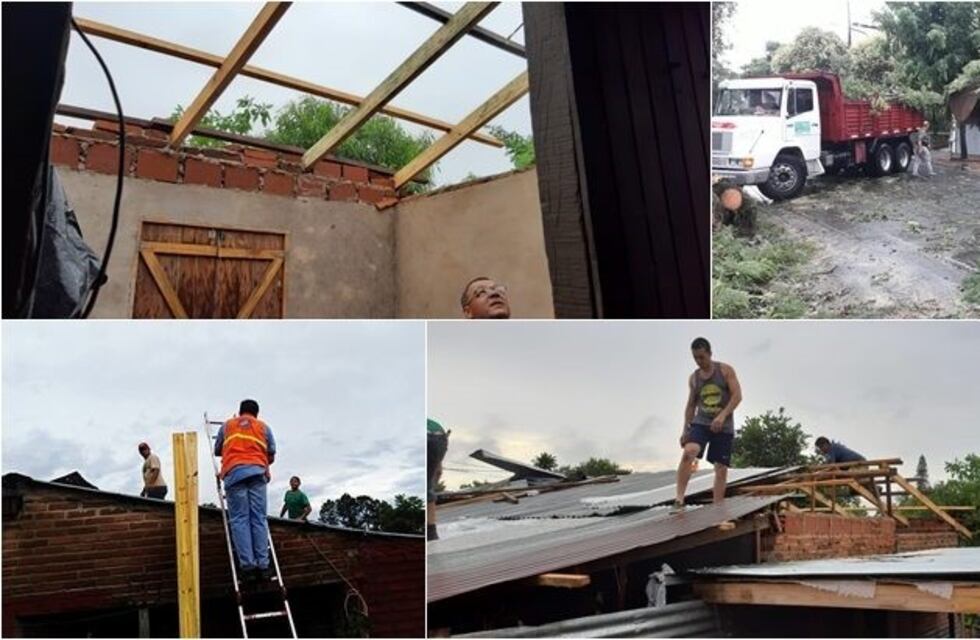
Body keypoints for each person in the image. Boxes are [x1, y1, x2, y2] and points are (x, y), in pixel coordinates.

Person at [674, 337, 743, 509]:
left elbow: (737, 396)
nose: (699, 361)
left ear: (710, 354)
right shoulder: (694, 378)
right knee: (689, 452)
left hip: (723, 425)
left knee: (720, 467)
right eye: (695, 358)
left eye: (702, 357)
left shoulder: (725, 371)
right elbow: (691, 405)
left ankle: (718, 507)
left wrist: (722, 415)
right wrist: (685, 429)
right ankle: (679, 499)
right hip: (701, 422)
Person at [215, 399, 276, 583]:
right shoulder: (263, 427)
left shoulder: (227, 425)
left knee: (240, 519)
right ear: (256, 413)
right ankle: (264, 567)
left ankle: (248, 567)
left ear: (240, 411)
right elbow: (271, 453)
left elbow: (218, 450)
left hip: (234, 473)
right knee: (258, 518)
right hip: (257, 473)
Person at [427, 418, 449, 541]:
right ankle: (431, 533)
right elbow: (439, 471)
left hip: (427, 439)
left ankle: (430, 534)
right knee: (427, 487)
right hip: (441, 439)